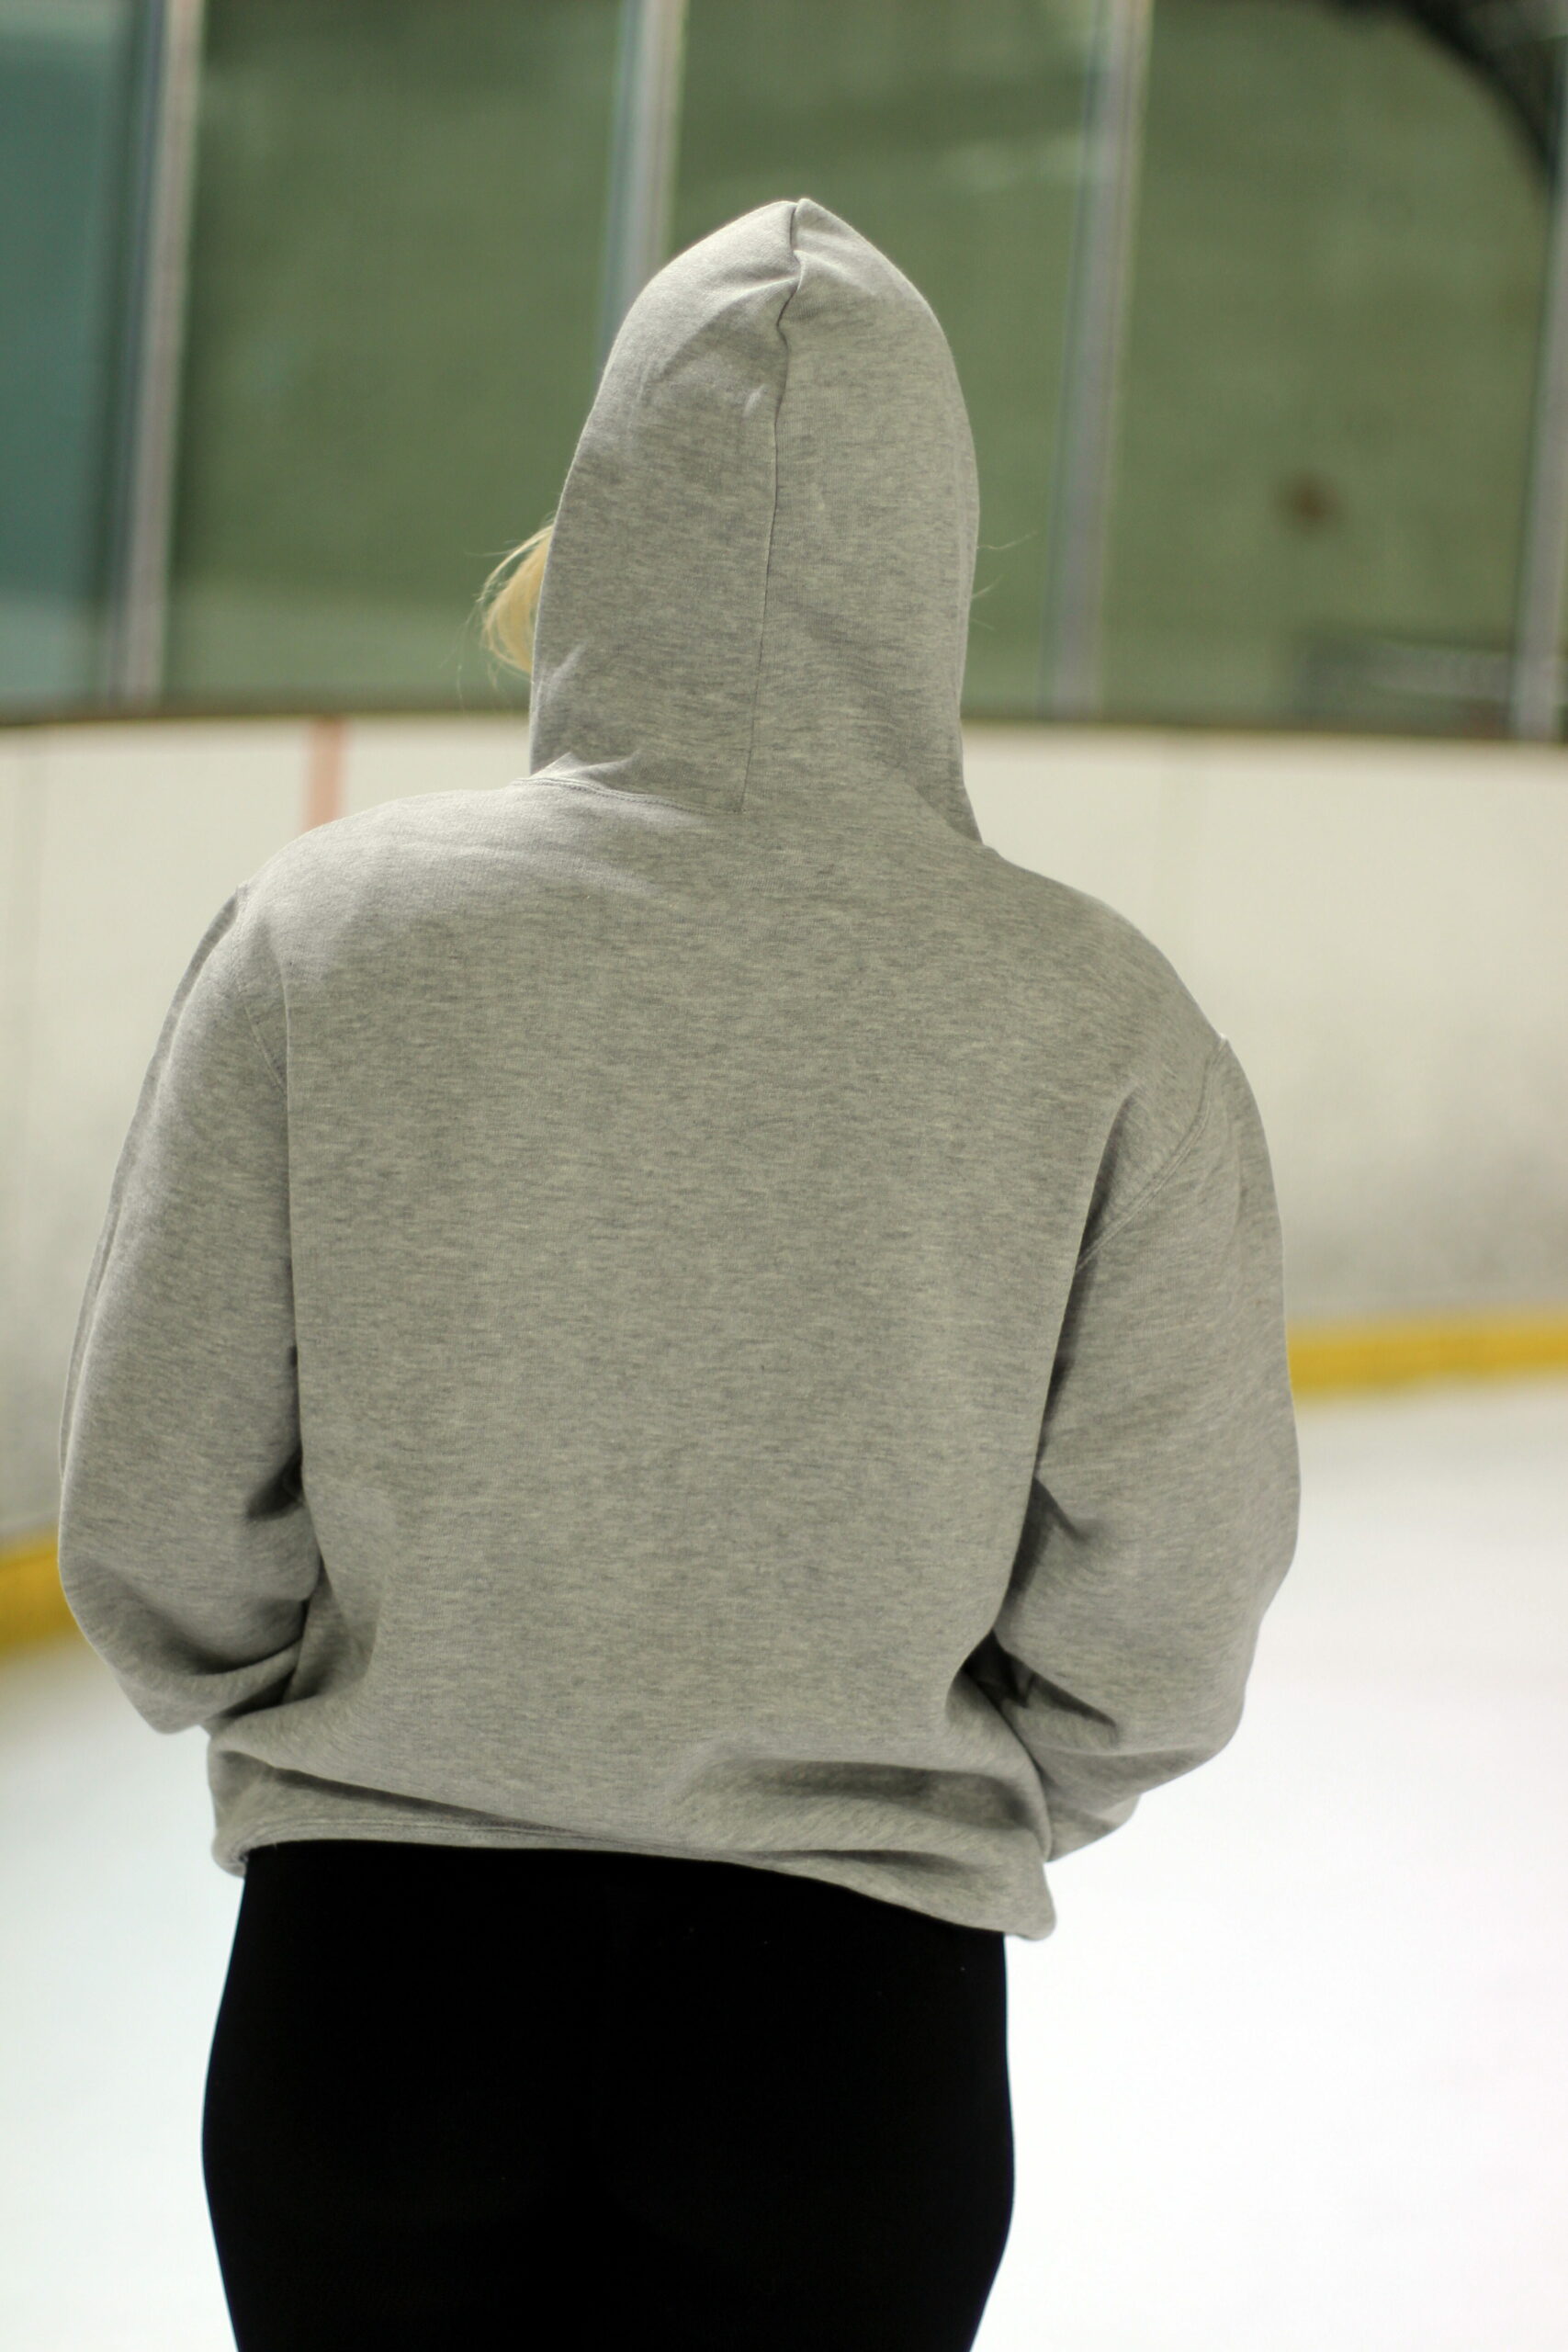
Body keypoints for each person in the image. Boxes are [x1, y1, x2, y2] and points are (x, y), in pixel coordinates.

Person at [56, 196, 1301, 2351]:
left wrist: (369, 1727)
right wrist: (938, 1779)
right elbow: (1166, 1602)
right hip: (843, 2031)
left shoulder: (326, 937)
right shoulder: (1098, 1018)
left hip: (377, 1989)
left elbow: (158, 1503)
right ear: (926, 558)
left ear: (606, 512)